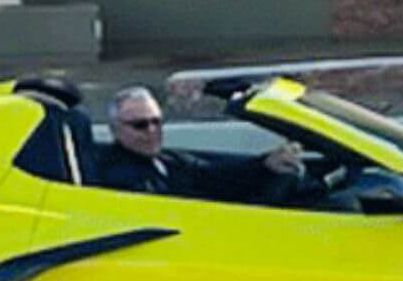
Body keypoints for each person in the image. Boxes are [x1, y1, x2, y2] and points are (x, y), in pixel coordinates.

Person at [96, 85, 306, 202]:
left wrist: (266, 165)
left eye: (156, 122)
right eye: (140, 125)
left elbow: (210, 175)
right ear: (116, 129)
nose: (152, 131)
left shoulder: (166, 160)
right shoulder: (120, 177)